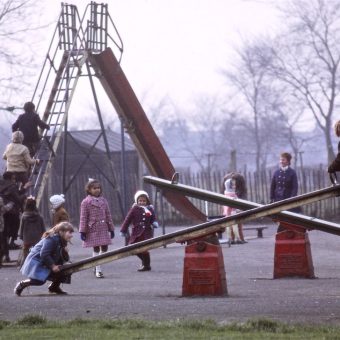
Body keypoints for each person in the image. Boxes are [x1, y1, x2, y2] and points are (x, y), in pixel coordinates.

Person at [14, 221, 74, 296]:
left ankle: (54, 287)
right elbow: (44, 254)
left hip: (45, 262)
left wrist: (65, 253)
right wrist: (53, 266)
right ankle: (22, 284)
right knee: (39, 281)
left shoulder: (62, 241)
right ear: (61, 232)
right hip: (37, 262)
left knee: (67, 268)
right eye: (70, 232)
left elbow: (63, 259)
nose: (71, 235)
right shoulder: (51, 239)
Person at [79, 179, 115, 278]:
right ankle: (98, 269)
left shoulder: (104, 201)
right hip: (93, 229)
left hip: (103, 227)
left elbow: (108, 214)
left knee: (104, 249)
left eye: (98, 188)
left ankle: (96, 265)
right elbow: (83, 217)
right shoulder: (86, 202)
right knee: (95, 248)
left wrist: (111, 228)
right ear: (89, 190)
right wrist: (83, 231)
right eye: (94, 188)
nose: (97, 190)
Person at [120, 190, 157, 271]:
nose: (142, 202)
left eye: (144, 201)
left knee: (144, 249)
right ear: (137, 201)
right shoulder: (134, 209)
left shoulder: (150, 209)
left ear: (147, 201)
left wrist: (154, 222)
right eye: (140, 200)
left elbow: (153, 217)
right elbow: (127, 220)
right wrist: (123, 230)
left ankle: (146, 266)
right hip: (136, 233)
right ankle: (145, 262)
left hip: (146, 233)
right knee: (133, 248)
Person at [270, 152, 299, 232]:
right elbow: (272, 186)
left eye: (283, 159)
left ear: (288, 161)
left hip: (288, 198)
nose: (281, 161)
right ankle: (281, 230)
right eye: (280, 160)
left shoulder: (292, 173)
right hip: (277, 199)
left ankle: (286, 230)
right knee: (278, 217)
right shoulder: (276, 172)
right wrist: (271, 198)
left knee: (288, 217)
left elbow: (295, 187)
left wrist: (292, 198)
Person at [18, 196, 45, 266]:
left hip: (27, 238)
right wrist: (43, 235)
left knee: (26, 251)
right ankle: (39, 264)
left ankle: (25, 264)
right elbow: (43, 228)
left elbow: (21, 228)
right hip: (37, 238)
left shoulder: (24, 216)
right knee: (38, 251)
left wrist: (21, 236)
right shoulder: (39, 216)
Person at [222, 178, 243, 245]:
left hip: (226, 212)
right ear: (229, 186)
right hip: (232, 212)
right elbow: (236, 203)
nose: (235, 186)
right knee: (234, 226)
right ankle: (238, 239)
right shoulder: (232, 194)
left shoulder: (225, 193)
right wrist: (238, 209)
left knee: (228, 226)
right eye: (233, 185)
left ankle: (229, 239)